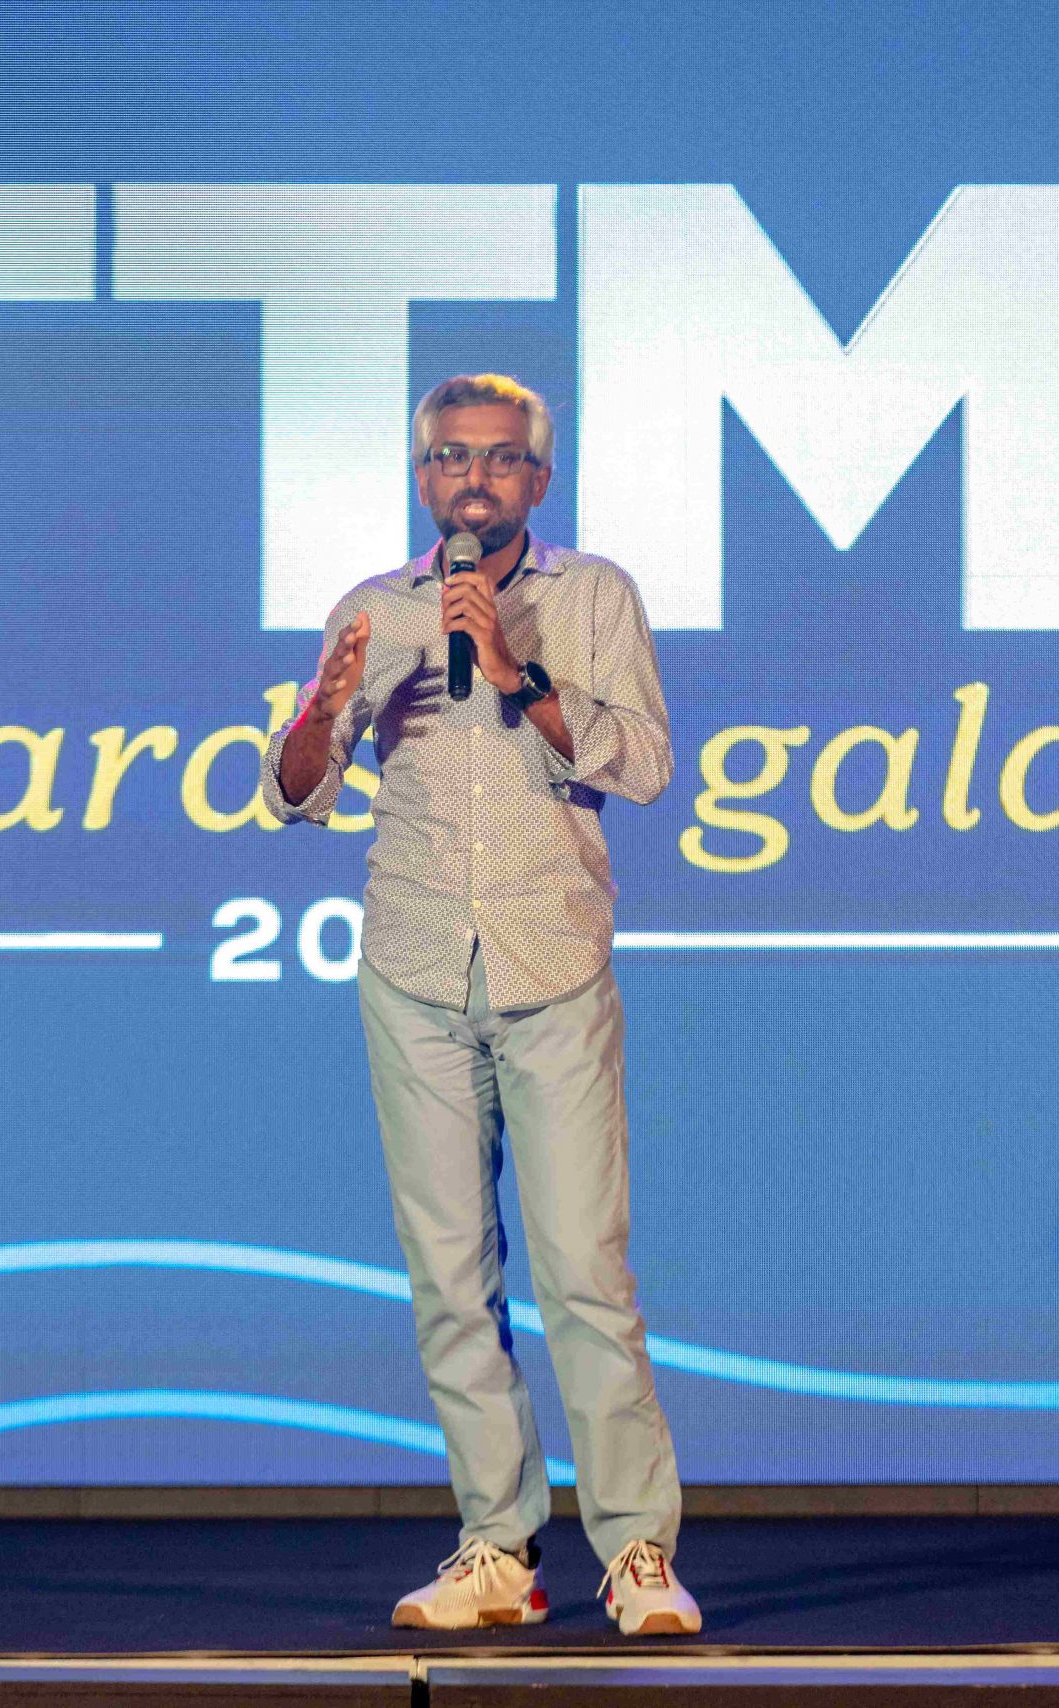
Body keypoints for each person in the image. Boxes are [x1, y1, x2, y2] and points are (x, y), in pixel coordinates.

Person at [260, 373, 699, 1636]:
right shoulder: (372, 609)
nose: (472, 478)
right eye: (450, 456)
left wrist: (513, 669)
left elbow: (647, 763)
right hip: (413, 967)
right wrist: (323, 713)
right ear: (423, 477)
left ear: (538, 480)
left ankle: (637, 1551)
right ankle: (498, 1548)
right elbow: (293, 795)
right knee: (450, 1277)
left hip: (548, 962)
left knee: (583, 1273)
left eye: (499, 458)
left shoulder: (593, 595)